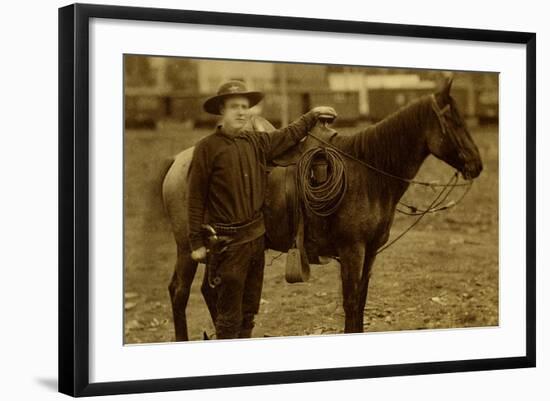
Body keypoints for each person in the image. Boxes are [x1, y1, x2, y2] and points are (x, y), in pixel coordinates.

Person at [187, 80, 337, 339]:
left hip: (256, 241)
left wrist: (312, 115)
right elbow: (195, 197)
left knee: (249, 313)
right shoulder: (207, 148)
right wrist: (195, 242)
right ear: (222, 110)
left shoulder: (258, 143)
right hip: (227, 244)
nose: (241, 112)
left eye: (245, 107)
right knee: (229, 316)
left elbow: (289, 134)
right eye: (234, 106)